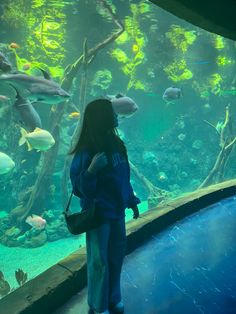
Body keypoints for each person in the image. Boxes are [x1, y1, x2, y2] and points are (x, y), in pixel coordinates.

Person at [69, 98, 140, 314]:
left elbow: (123, 177)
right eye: (112, 112)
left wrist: (131, 201)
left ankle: (114, 298)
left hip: (117, 212)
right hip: (98, 214)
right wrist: (91, 170)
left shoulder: (117, 145)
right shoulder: (86, 151)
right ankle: (99, 306)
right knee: (99, 262)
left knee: (116, 257)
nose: (116, 115)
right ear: (102, 118)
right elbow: (79, 189)